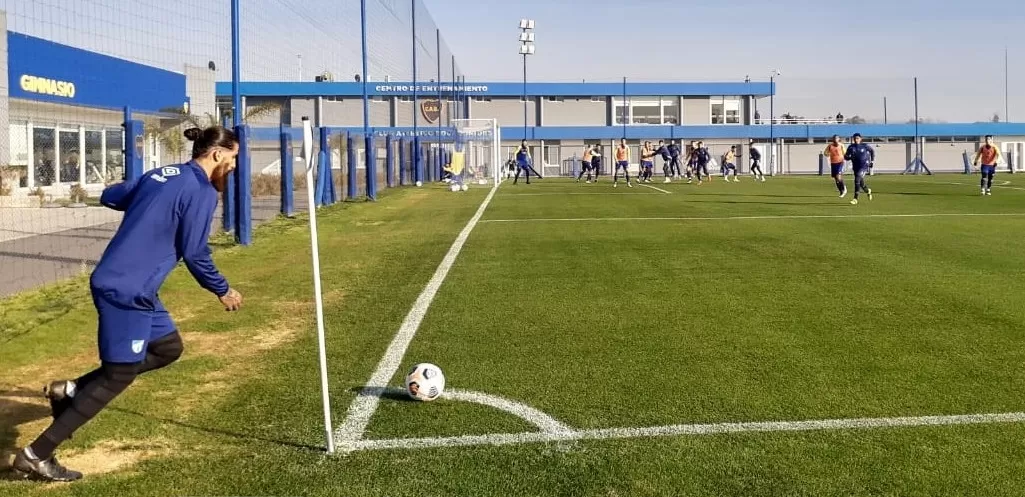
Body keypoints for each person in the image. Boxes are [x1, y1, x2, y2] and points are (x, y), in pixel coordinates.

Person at [12, 126, 243, 482]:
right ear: (216, 154)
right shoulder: (201, 191)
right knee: (118, 374)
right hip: (127, 289)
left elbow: (110, 196)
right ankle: (35, 455)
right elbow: (196, 252)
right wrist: (223, 289)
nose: (234, 164)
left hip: (136, 286)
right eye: (233, 157)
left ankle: (71, 389)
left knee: (167, 348)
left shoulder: (162, 174)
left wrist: (151, 202)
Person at [844, 133, 874, 205]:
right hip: (856, 167)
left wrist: (872, 161)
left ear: (860, 139)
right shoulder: (851, 147)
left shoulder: (865, 146)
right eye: (855, 138)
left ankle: (855, 199)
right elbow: (846, 157)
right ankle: (867, 191)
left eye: (857, 138)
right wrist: (849, 157)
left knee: (857, 179)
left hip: (864, 166)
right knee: (861, 183)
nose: (856, 139)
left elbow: (872, 151)